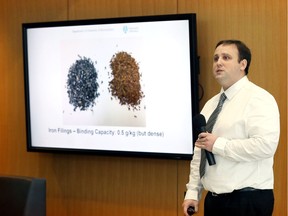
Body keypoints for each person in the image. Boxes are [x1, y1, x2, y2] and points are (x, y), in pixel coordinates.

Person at [182, 40, 280, 216]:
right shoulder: (211, 105)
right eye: (215, 58)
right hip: (214, 200)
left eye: (226, 57)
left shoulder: (259, 98)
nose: (218, 62)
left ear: (243, 64)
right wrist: (193, 192)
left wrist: (218, 144)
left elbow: (265, 146)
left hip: (248, 201)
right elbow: (200, 152)